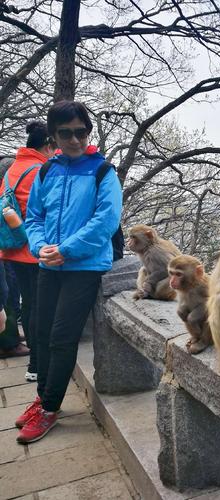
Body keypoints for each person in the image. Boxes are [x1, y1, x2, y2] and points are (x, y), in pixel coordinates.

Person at [15, 101, 122, 443]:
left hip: (84, 267)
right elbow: (34, 218)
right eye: (66, 133)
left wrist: (66, 249)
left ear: (88, 131)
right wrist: (41, 247)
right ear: (54, 135)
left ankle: (49, 408)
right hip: (49, 264)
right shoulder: (48, 171)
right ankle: (43, 398)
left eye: (81, 131)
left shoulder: (103, 171)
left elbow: (105, 221)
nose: (75, 139)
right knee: (39, 332)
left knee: (61, 337)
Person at [0, 121, 56, 376]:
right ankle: (36, 365)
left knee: (27, 302)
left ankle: (35, 362)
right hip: (33, 249)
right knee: (37, 306)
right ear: (47, 145)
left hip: (13, 247)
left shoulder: (13, 168)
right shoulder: (39, 170)